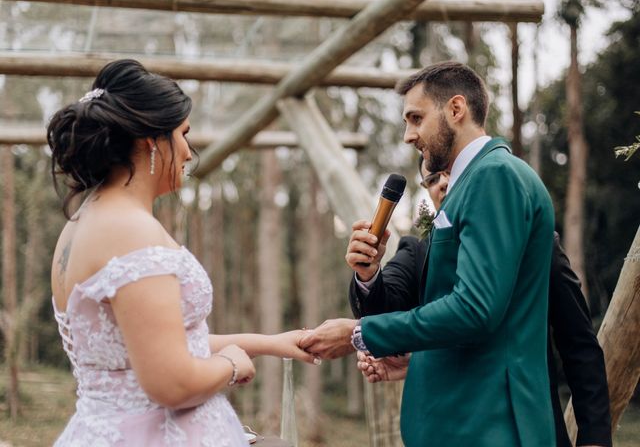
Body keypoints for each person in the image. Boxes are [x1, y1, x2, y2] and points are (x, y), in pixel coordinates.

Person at [47, 59, 317, 446]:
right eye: (183, 134)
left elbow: (156, 348)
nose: (189, 152)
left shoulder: (84, 222)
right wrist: (230, 365)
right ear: (151, 141)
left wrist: (269, 343)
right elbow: (171, 383)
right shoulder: (132, 231)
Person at [300, 61, 557, 446]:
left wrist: (359, 334)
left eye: (416, 118)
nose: (408, 135)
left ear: (456, 110)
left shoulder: (495, 176)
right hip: (458, 425)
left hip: (485, 425)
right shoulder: (470, 184)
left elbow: (475, 309)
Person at [350, 158, 612, 447]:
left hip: (527, 432)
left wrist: (594, 438)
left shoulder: (535, 245)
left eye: (451, 172)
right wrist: (368, 274)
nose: (444, 183)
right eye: (433, 178)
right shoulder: (416, 253)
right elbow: (383, 314)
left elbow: (579, 344)